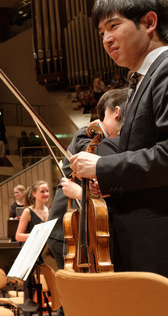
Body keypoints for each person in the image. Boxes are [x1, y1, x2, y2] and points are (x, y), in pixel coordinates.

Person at [70, 0, 168, 303]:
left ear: (149, 22)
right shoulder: (140, 82)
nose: (106, 39)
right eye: (101, 32)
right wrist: (110, 183)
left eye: (114, 26)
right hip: (144, 246)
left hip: (167, 248)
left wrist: (104, 166)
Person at [46, 88, 128, 271]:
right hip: (68, 229)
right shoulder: (88, 134)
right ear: (116, 112)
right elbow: (90, 165)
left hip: (83, 229)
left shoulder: (105, 139)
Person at [15, 181, 50, 316]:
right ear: (34, 194)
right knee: (30, 295)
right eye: (42, 191)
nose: (46, 194)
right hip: (31, 256)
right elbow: (18, 236)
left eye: (47, 191)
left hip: (46, 255)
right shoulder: (27, 211)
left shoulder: (49, 211)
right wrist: (37, 235)